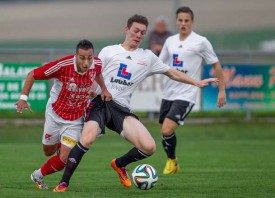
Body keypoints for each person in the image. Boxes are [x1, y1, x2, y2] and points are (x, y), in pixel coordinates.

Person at [53, 14, 218, 192]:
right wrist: (90, 90)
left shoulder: (147, 58)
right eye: (136, 30)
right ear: (127, 30)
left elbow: (172, 72)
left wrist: (196, 82)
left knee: (149, 147)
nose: (139, 35)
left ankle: (119, 164)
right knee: (87, 139)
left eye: (142, 32)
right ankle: (64, 183)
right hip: (100, 102)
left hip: (121, 109)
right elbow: (95, 75)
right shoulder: (109, 51)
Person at [15, 39, 112, 189]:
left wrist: (103, 89)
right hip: (55, 114)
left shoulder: (97, 64)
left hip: (76, 118)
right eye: (82, 58)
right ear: (76, 56)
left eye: (90, 58)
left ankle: (37, 175)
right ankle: (61, 142)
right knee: (48, 152)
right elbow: (32, 74)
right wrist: (23, 98)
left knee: (65, 158)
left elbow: (98, 73)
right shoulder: (63, 66)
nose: (86, 62)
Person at [158, 6, 226, 175]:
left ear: (192, 22)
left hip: (187, 94)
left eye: (186, 21)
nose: (183, 23)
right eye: (180, 20)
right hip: (169, 93)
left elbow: (216, 64)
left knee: (166, 129)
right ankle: (172, 161)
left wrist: (222, 90)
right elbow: (159, 64)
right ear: (176, 21)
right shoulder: (170, 41)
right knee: (165, 132)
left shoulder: (201, 41)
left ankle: (171, 162)